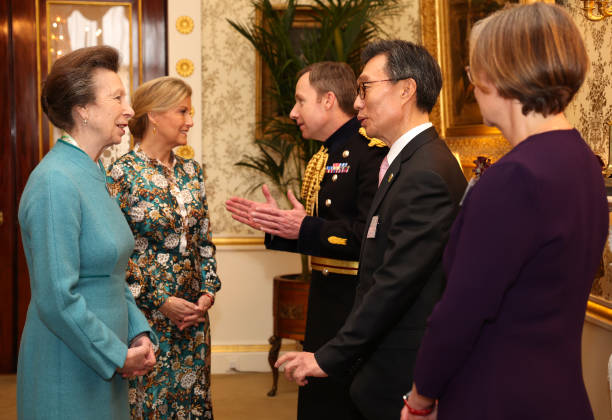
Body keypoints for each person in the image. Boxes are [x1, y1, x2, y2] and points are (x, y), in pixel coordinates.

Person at [403, 4, 607, 420]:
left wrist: (420, 398)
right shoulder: (583, 161)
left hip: (497, 396)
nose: (472, 84)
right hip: (559, 393)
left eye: (473, 71)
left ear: (499, 73)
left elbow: (462, 310)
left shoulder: (515, 178)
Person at [276, 40, 467, 420]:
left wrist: (329, 356)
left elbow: (395, 283)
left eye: (365, 88)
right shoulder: (409, 162)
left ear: (405, 89)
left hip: (402, 369)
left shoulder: (425, 171)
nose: (357, 102)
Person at [226, 61, 387, 420]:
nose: (292, 112)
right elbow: (319, 233)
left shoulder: (370, 151)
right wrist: (280, 227)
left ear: (328, 100)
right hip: (325, 299)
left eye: (300, 101)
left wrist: (304, 227)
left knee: (341, 404)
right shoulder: (324, 155)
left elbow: (367, 238)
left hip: (355, 303)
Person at [17, 45, 156, 420]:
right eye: (116, 98)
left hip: (106, 358)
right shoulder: (54, 181)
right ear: (83, 109)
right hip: (70, 364)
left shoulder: (91, 172)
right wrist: (115, 355)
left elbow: (111, 272)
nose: (128, 110)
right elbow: (57, 298)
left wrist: (137, 333)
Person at [107, 76, 220, 419]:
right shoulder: (121, 174)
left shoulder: (192, 172)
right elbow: (115, 255)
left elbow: (204, 241)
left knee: (193, 401)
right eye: (182, 110)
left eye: (191, 111)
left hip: (193, 319)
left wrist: (207, 293)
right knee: (150, 404)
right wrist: (160, 301)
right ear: (154, 116)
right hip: (146, 318)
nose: (190, 120)